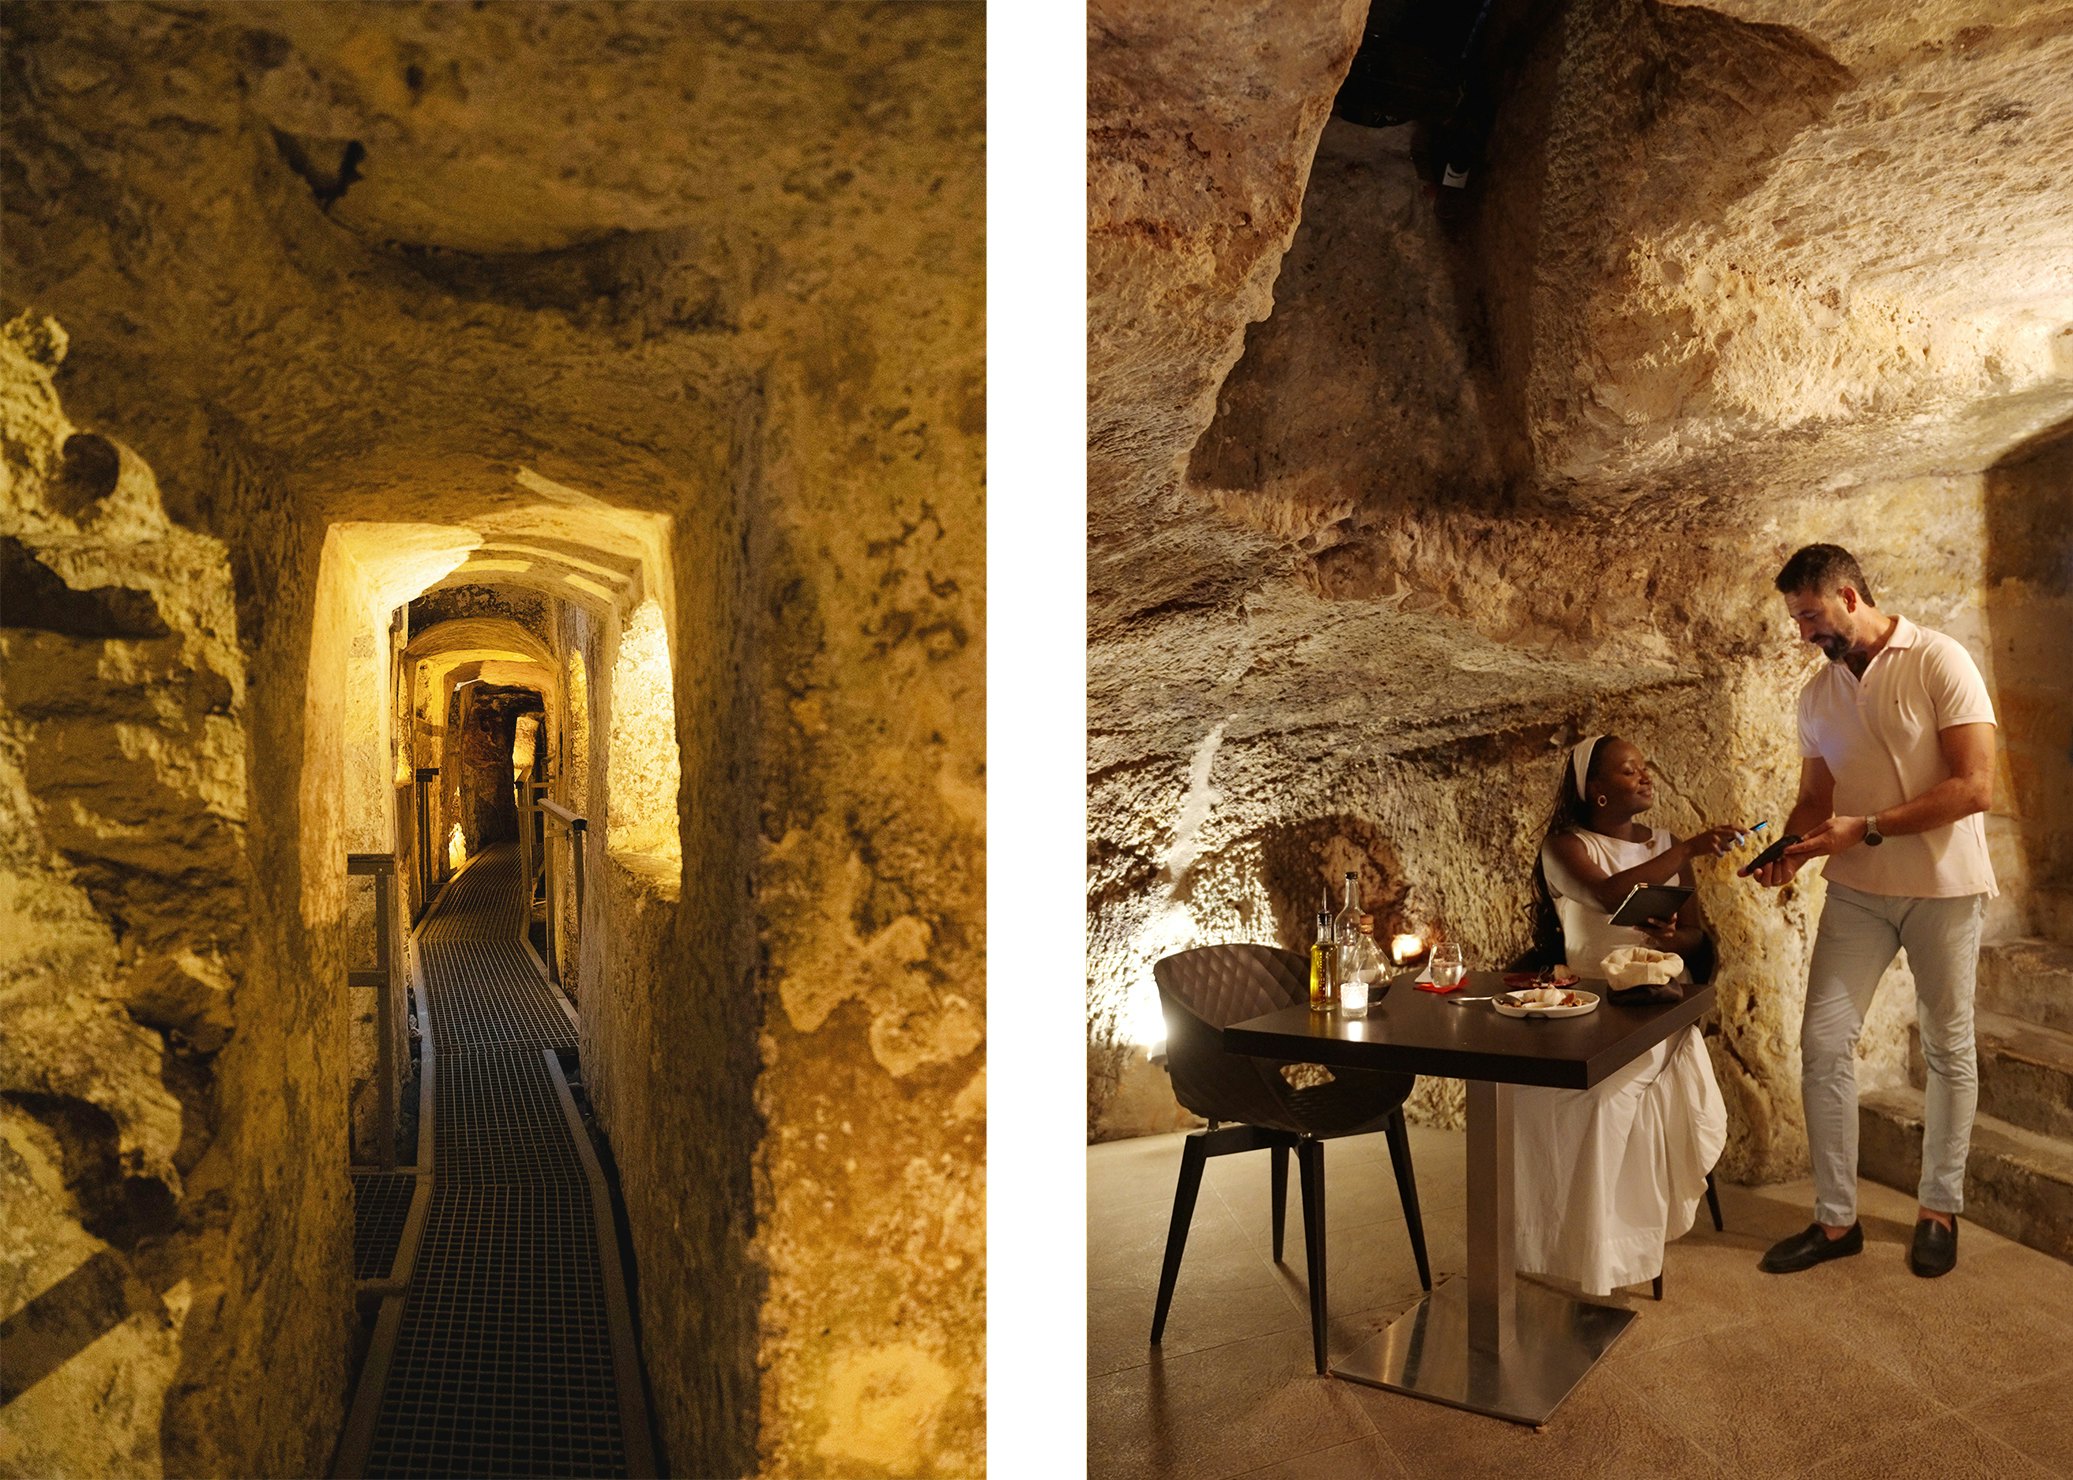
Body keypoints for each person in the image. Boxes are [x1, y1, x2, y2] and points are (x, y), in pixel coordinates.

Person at [1750, 544, 1996, 1279]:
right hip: (1856, 892)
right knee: (1822, 1044)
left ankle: (1936, 1208)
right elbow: (1815, 801)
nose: (1803, 634)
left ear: (1848, 596)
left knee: (1947, 1050)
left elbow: (1974, 787)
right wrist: (1789, 848)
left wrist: (1868, 827)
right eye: (1796, 619)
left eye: (1810, 616)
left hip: (1944, 889)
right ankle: (1834, 1223)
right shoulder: (1816, 695)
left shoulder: (1938, 659)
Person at [1512, 733, 1738, 1297]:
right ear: (1597, 791)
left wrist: (1671, 934)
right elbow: (1611, 897)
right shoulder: (1567, 846)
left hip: (1653, 1005)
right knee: (1523, 1093)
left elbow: (1693, 931)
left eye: (1645, 766)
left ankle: (1613, 1248)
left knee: (1607, 1097)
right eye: (1629, 770)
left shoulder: (1661, 842)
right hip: (1584, 1004)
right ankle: (1543, 1237)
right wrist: (1686, 850)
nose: (1645, 776)